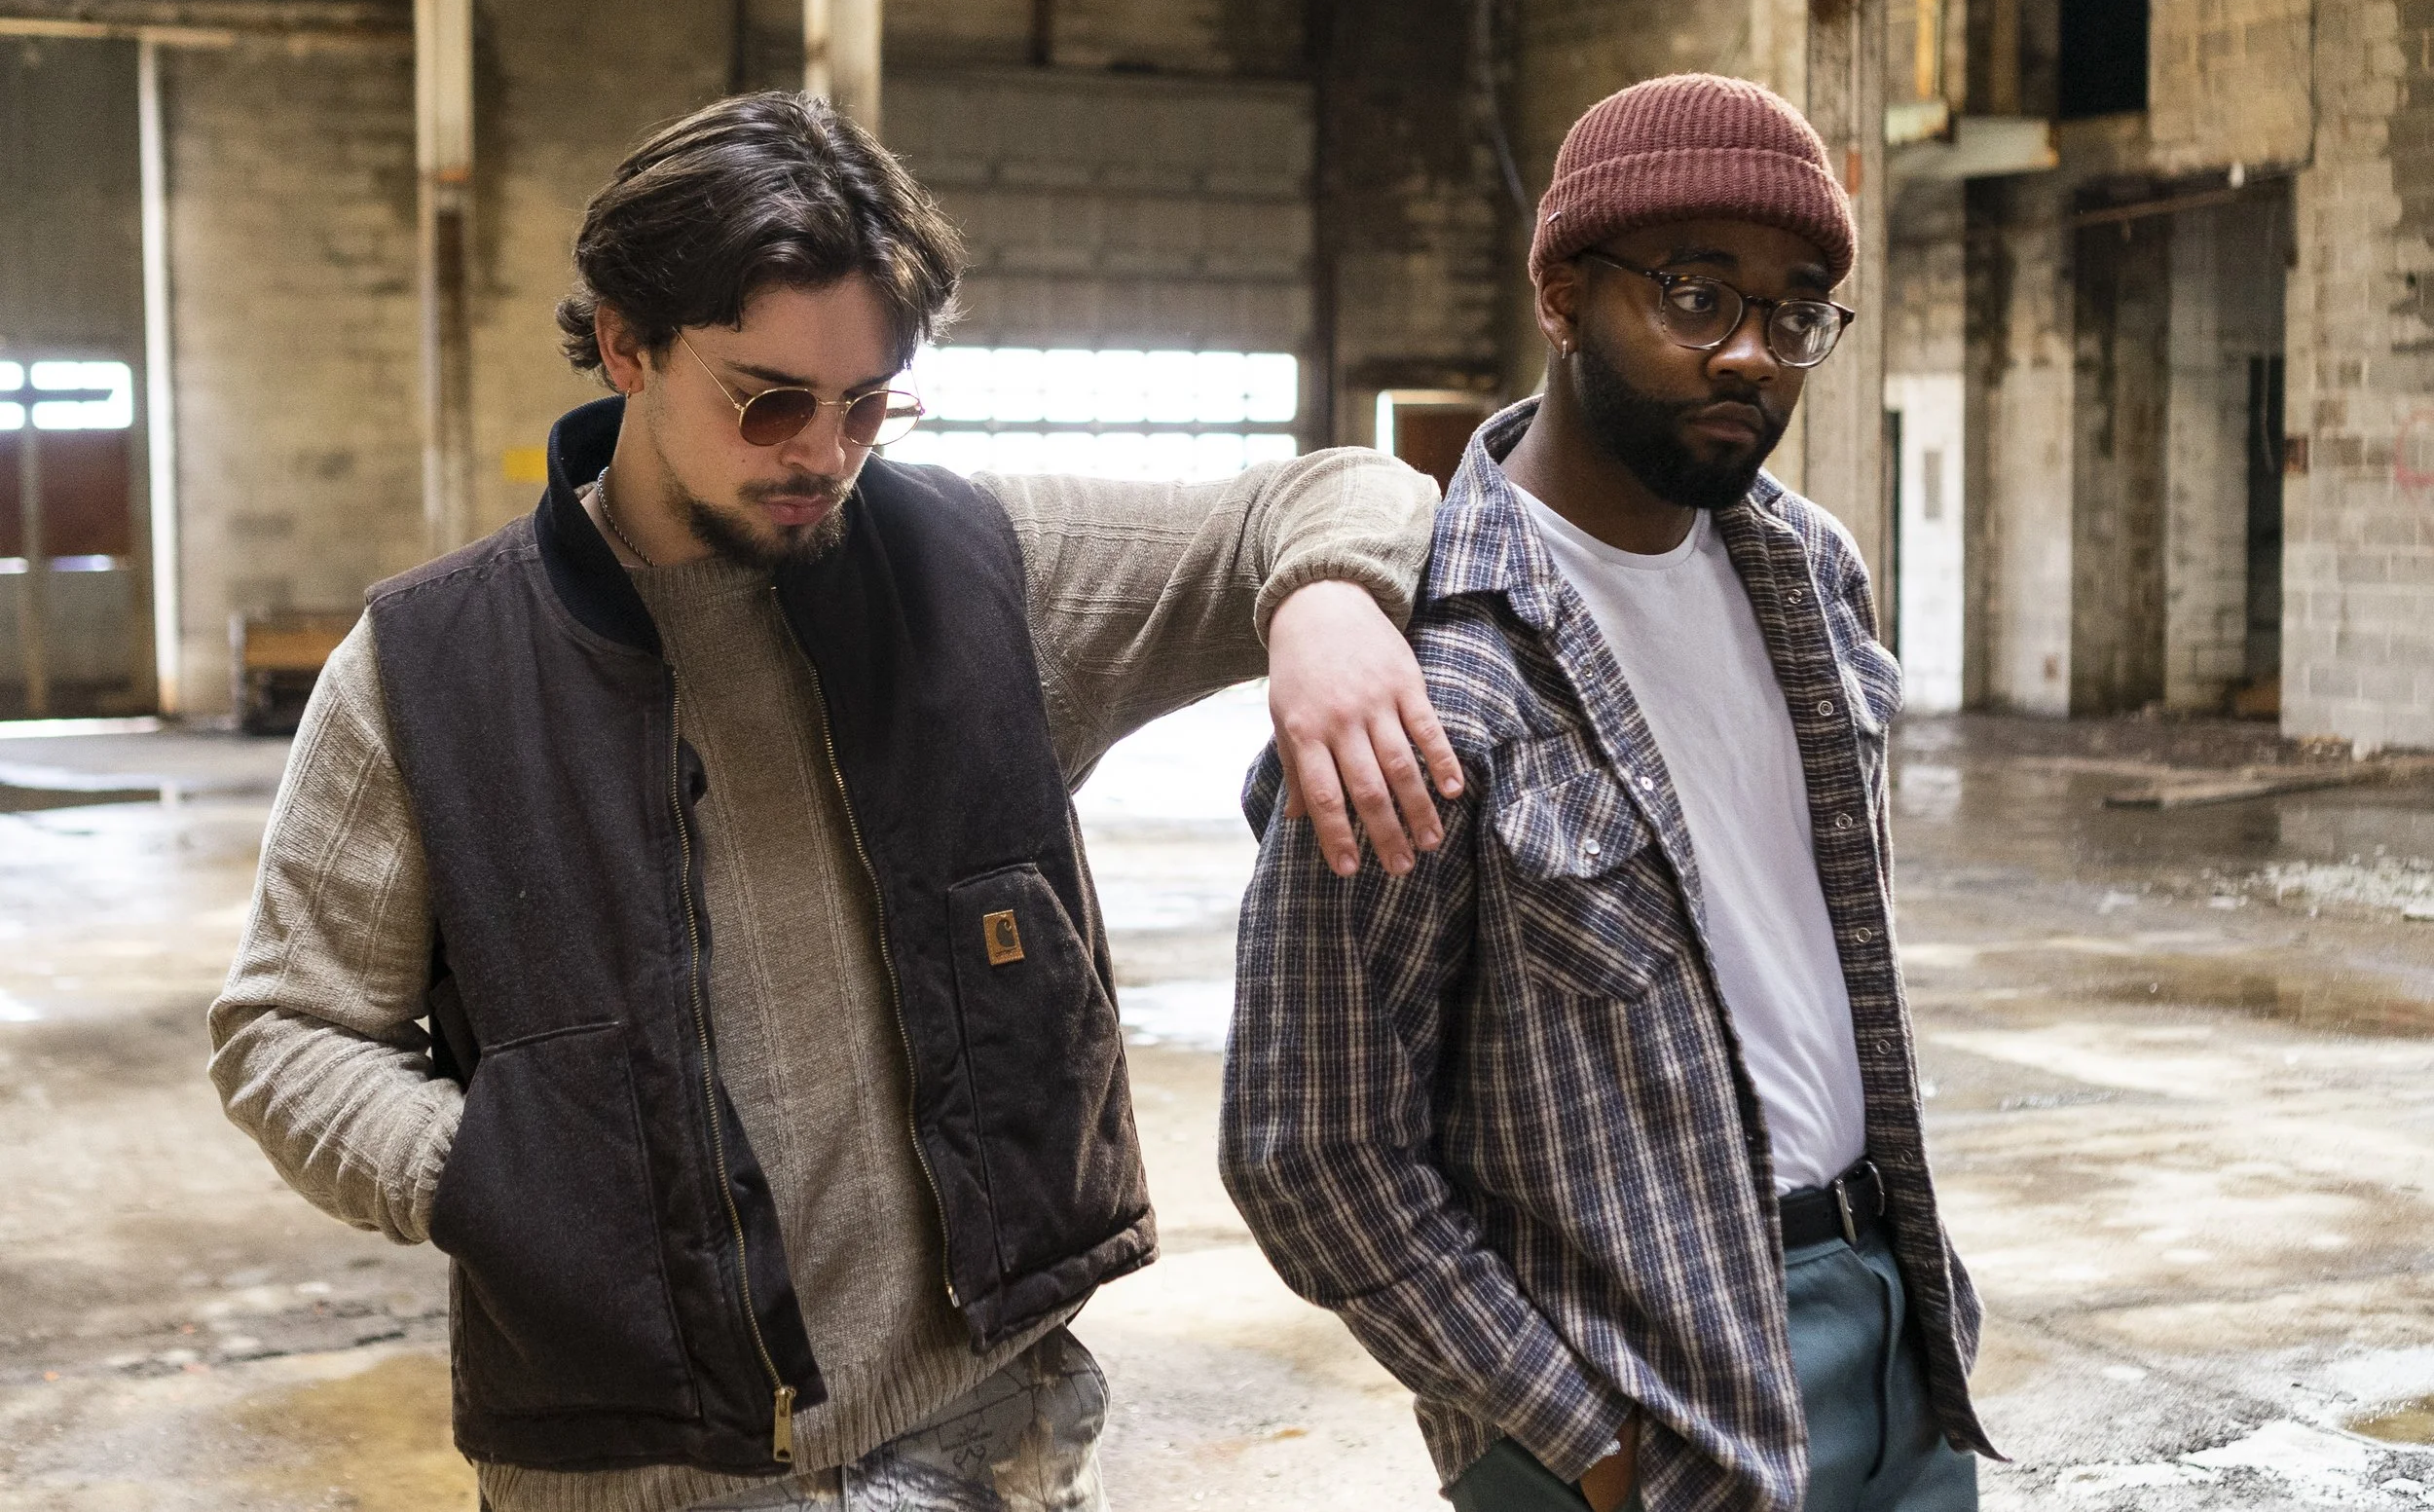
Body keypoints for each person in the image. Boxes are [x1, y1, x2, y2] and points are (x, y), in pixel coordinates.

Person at [210, 90, 1458, 1512]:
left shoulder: (983, 575)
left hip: (982, 1421)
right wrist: (489, 1175)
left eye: (870, 402)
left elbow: (1331, 491)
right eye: (769, 399)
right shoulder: (431, 670)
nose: (823, 451)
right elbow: (287, 1028)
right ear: (626, 342)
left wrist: (1331, 606)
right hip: (639, 1469)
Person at [1221, 74, 1997, 1512]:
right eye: (1698, 297)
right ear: (1564, 295)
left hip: (1894, 1338)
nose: (1753, 356)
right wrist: (1568, 1432)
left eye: (1798, 310)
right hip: (1639, 1404)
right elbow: (1310, 1144)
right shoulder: (1427, 667)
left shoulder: (1810, 573)